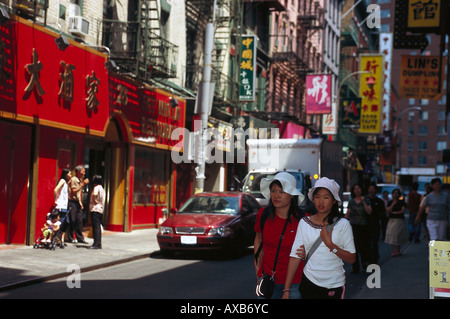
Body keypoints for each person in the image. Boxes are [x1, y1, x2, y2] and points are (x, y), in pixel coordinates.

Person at [283, 177, 355, 299]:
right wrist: (286, 289)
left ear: (333, 201)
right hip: (309, 282)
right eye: (317, 197)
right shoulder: (304, 223)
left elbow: (352, 258)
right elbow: (295, 257)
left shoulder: (343, 224)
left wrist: (331, 245)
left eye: (326, 197)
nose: (321, 201)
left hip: (334, 285)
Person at [254, 172, 304, 299]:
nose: (276, 195)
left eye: (282, 192)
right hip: (267, 281)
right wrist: (258, 274)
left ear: (292, 195)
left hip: (294, 284)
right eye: (273, 191)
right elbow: (258, 241)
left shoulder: (303, 220)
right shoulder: (263, 214)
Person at [345, 184, 372, 273]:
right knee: (354, 247)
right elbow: (348, 213)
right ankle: (355, 266)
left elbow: (369, 212)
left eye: (358, 188)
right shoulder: (351, 201)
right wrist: (343, 222)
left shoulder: (366, 199)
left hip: (364, 225)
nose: (357, 190)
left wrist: (363, 202)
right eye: (355, 189)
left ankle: (365, 263)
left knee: (364, 246)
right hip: (354, 226)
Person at [68, 165, 89, 244]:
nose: (84, 173)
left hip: (77, 202)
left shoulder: (80, 180)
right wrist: (82, 184)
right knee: (72, 220)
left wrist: (80, 203)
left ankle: (80, 238)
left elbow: (79, 193)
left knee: (79, 221)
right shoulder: (74, 180)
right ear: (78, 172)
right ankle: (71, 237)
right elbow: (74, 191)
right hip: (72, 202)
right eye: (83, 171)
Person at [385, 188, 407, 256]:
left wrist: (395, 212)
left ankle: (398, 250)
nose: (395, 195)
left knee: (398, 235)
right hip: (391, 219)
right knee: (391, 235)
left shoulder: (401, 202)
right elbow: (388, 210)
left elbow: (403, 210)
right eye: (394, 193)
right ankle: (394, 250)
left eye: (396, 193)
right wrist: (393, 204)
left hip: (399, 220)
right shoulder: (390, 202)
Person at [367, 183, 385, 264]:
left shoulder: (379, 201)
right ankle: (368, 259)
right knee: (366, 243)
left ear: (375, 190)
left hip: (375, 224)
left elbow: (382, 214)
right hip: (365, 224)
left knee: (374, 243)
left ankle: (375, 258)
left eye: (372, 188)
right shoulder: (365, 200)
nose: (371, 190)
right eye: (370, 188)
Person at [53, 168, 72, 246]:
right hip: (60, 205)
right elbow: (55, 190)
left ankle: (61, 239)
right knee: (60, 223)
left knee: (65, 223)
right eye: (70, 174)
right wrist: (55, 201)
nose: (71, 175)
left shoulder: (66, 183)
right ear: (66, 174)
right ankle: (57, 239)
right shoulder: (62, 181)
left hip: (64, 206)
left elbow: (69, 194)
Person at [89, 175, 106, 249]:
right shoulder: (102, 189)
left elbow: (95, 194)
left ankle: (95, 244)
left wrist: (95, 199)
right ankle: (98, 243)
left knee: (95, 227)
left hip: (95, 209)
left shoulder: (96, 188)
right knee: (98, 227)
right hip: (100, 209)